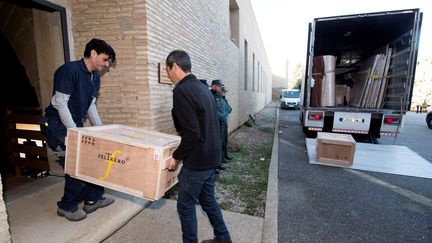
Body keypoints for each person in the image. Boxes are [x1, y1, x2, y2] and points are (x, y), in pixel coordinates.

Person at [41, 38, 116, 221]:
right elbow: (60, 103)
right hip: (58, 123)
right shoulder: (69, 70)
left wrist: (101, 131)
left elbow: (90, 105)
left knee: (92, 157)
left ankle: (93, 199)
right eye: (105, 60)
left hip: (75, 123)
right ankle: (67, 206)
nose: (107, 65)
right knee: (77, 163)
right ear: (93, 54)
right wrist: (75, 132)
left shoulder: (94, 76)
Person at [165, 50, 232, 243]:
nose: (168, 75)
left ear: (175, 66)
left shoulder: (181, 91)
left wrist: (176, 157)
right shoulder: (202, 87)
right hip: (212, 157)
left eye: (168, 70)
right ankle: (223, 238)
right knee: (208, 201)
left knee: (185, 206)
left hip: (198, 162)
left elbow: (192, 133)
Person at [211, 80, 233, 164]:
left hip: (223, 122)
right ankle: (218, 161)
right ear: (214, 86)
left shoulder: (221, 98)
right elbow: (213, 110)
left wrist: (225, 117)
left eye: (220, 87)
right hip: (218, 123)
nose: (220, 89)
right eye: (219, 87)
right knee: (219, 142)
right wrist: (224, 118)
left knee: (224, 141)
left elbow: (229, 109)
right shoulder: (212, 95)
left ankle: (223, 157)